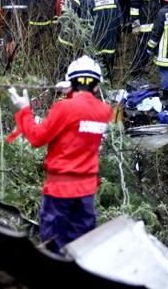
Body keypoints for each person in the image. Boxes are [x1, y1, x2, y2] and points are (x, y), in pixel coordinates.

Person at [7, 56, 113, 253]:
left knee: (53, 247)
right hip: (86, 192)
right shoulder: (105, 111)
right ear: (97, 86)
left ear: (71, 81)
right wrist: (73, 90)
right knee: (82, 249)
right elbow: (83, 113)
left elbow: (37, 138)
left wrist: (24, 110)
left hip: (60, 191)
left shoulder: (63, 108)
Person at [128, 0, 162, 77]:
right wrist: (136, 26)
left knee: (148, 49)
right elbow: (134, 8)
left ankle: (141, 68)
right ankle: (135, 71)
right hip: (143, 24)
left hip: (153, 22)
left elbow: (159, 1)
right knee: (141, 49)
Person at [85, 0, 122, 74]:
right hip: (111, 41)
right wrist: (118, 39)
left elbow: (86, 23)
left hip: (96, 42)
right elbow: (120, 21)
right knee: (109, 69)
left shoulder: (90, 1)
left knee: (95, 70)